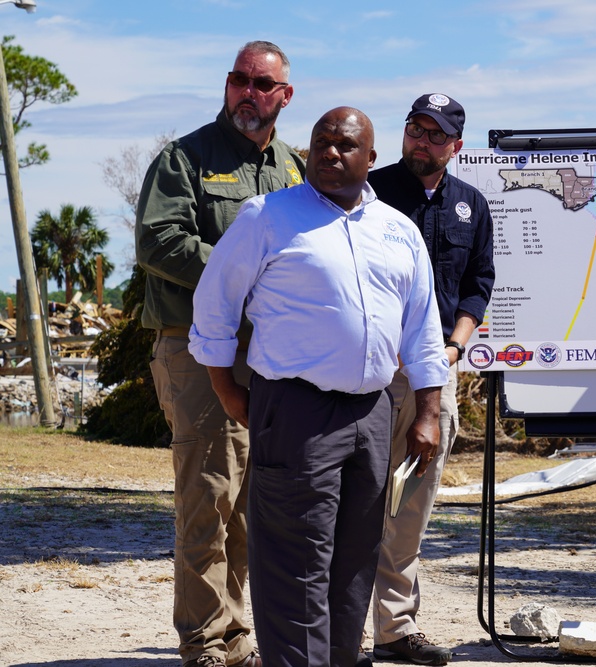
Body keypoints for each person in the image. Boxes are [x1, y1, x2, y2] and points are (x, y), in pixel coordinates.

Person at [188, 106, 451, 667]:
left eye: (346, 145)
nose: (331, 153)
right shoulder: (267, 217)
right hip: (296, 411)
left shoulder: (397, 231)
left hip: (375, 412)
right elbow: (213, 310)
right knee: (295, 562)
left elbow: (423, 330)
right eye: (322, 143)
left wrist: (428, 412)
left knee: (354, 560)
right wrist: (229, 393)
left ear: (371, 158)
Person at [134, 40, 304, 667]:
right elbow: (158, 242)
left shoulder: (292, 166)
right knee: (207, 495)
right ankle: (205, 640)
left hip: (271, 356)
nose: (247, 93)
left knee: (251, 507)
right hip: (197, 349)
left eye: (262, 84)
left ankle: (236, 637)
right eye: (239, 80)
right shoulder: (187, 159)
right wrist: (241, 274)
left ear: (284, 96)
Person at [366, 93, 495, 666]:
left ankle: (394, 629)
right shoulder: (367, 191)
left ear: (455, 146)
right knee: (351, 500)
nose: (423, 140)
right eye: (415, 129)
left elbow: (479, 281)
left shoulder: (472, 205)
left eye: (436, 134)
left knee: (409, 504)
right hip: (367, 371)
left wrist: (453, 346)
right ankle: (337, 633)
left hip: (433, 374)